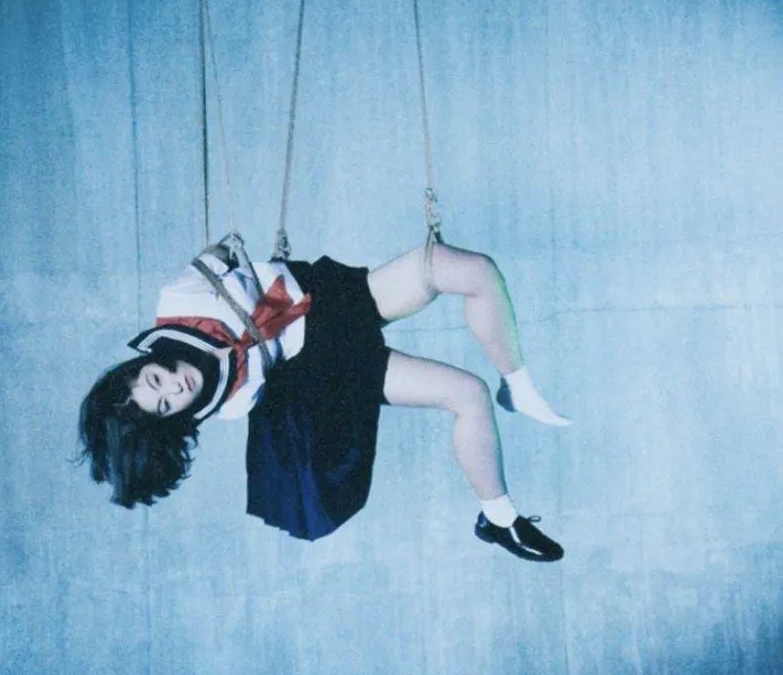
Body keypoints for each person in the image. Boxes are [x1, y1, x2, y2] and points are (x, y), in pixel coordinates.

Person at [77, 236, 572, 562]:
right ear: (171, 422)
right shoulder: (229, 405)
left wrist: (238, 260)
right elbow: (298, 397)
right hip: (326, 361)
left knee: (470, 270)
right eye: (165, 406)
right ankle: (500, 520)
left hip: (328, 297)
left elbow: (222, 251)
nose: (175, 388)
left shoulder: (179, 300)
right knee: (468, 394)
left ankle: (519, 386)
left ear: (144, 363)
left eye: (156, 379)